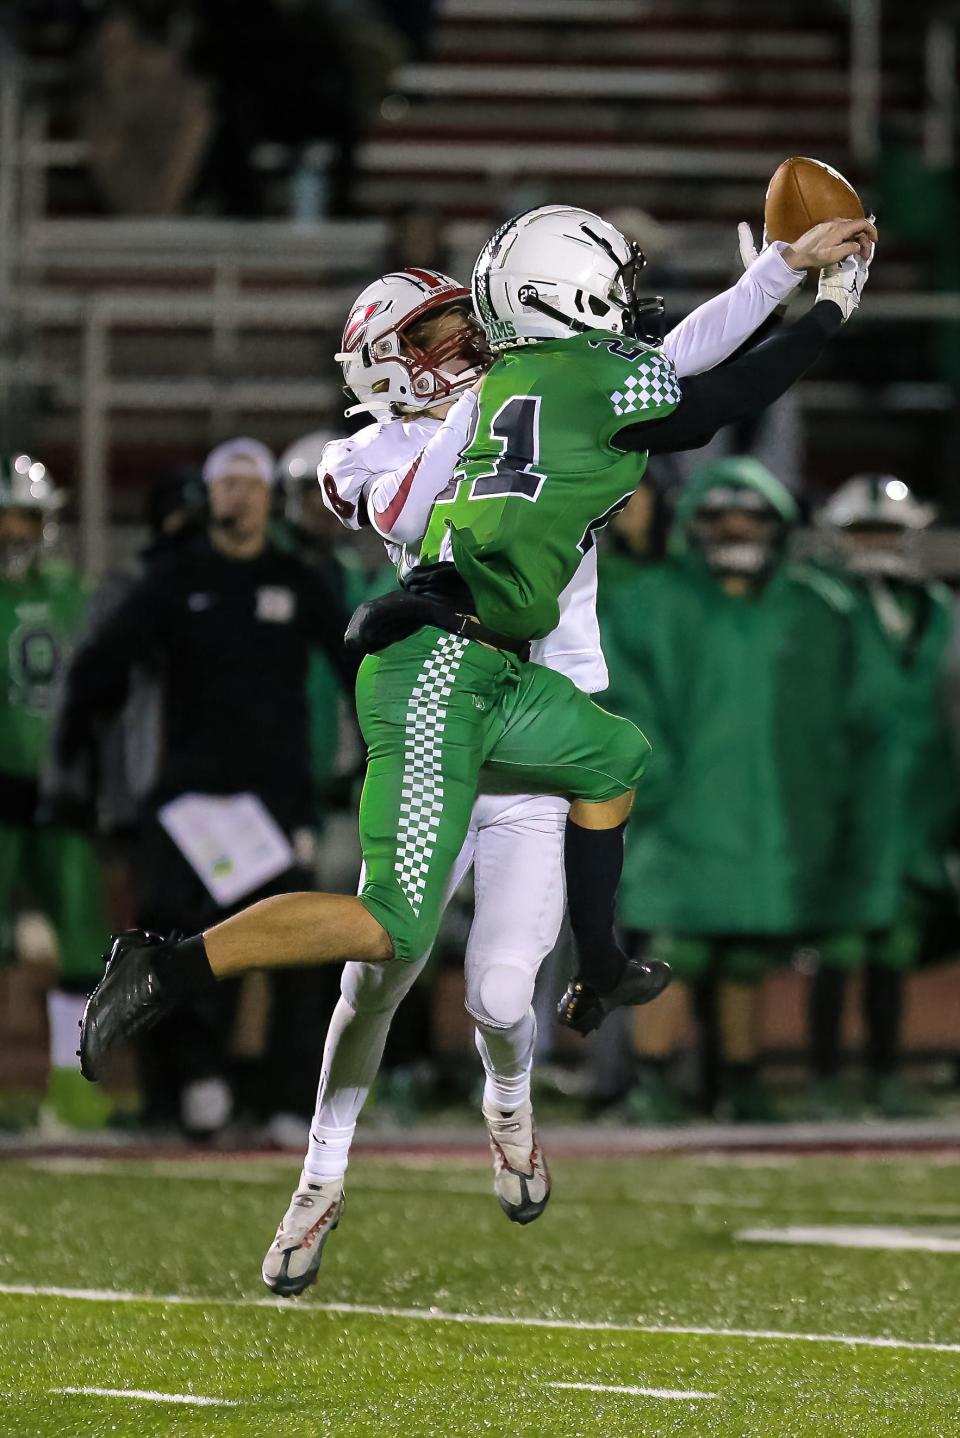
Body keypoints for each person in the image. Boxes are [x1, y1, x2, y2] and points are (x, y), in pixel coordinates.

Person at [78, 206, 875, 1164]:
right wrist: (524, 384)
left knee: (601, 785)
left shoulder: (525, 382)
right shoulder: (366, 451)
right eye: (431, 334)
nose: (460, 341)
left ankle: (596, 976)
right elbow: (425, 499)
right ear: (379, 361)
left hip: (528, 676)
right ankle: (183, 984)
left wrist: (774, 280)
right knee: (388, 938)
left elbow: (668, 373)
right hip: (444, 672)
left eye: (462, 322)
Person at [55, 438, 355, 1138]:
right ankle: (194, 1082)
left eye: (252, 483)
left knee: (297, 949)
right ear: (210, 495)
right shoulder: (175, 578)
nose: (240, 496)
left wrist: (378, 750)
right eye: (228, 484)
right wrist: (79, 753)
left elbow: (353, 666)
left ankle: (284, 1100)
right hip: (190, 801)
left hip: (275, 800)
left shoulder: (296, 576)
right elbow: (103, 664)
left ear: (267, 496)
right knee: (174, 943)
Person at [602, 456, 885, 1122]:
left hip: (778, 814)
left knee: (746, 957)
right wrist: (655, 782)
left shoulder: (822, 609)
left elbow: (857, 715)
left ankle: (741, 1080)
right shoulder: (650, 601)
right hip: (680, 813)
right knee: (677, 949)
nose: (735, 528)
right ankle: (654, 1083)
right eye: (719, 515)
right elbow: (622, 700)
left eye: (751, 515)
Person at [808, 475, 960, 1116]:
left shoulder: (941, 608)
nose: (876, 543)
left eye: (888, 530)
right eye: (863, 531)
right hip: (840, 798)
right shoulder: (812, 604)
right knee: (838, 947)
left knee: (893, 947)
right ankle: (822, 1081)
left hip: (918, 800)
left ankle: (885, 1076)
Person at [0, 454, 110, 1129]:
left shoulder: (77, 592)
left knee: (77, 945)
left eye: (24, 518)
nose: (14, 533)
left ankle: (73, 1097)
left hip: (61, 786)